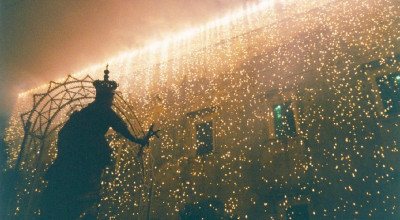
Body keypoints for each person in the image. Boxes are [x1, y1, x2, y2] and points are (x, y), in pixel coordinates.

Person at [39, 66, 158, 219]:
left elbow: (64, 133)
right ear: (107, 97)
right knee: (86, 181)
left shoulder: (87, 110)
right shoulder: (104, 110)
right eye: (111, 97)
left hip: (75, 153)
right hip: (89, 150)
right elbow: (122, 127)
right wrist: (138, 140)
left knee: (79, 180)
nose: (112, 100)